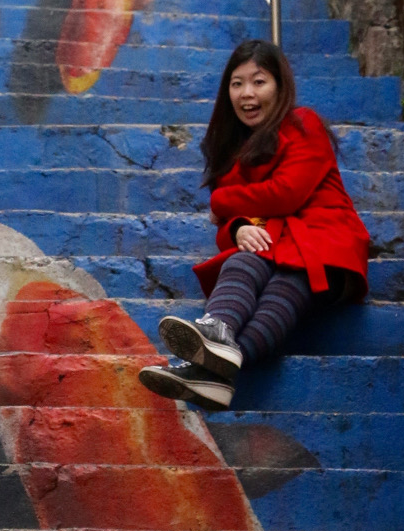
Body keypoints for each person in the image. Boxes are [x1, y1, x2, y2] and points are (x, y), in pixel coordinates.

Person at [139, 39, 371, 410]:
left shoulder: (303, 124)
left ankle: (210, 369)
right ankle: (219, 336)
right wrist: (235, 229)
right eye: (237, 83)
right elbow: (227, 227)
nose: (247, 93)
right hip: (273, 246)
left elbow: (287, 193)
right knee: (241, 259)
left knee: (286, 281)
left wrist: (221, 202)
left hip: (325, 247)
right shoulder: (231, 151)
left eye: (259, 81)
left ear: (279, 86)